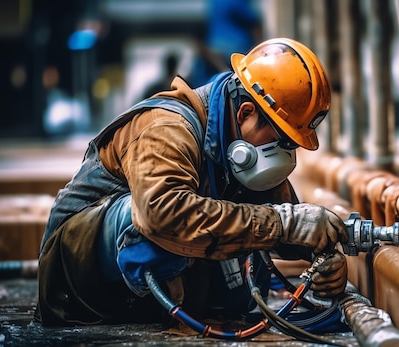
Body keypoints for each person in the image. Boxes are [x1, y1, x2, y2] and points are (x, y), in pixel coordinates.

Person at [35, 38, 349, 329]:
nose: (282, 154)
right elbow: (163, 215)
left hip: (135, 288)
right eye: (281, 140)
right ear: (246, 112)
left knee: (239, 281)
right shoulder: (166, 129)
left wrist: (319, 252)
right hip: (74, 282)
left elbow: (286, 218)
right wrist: (282, 224)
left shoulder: (239, 148)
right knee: (154, 215)